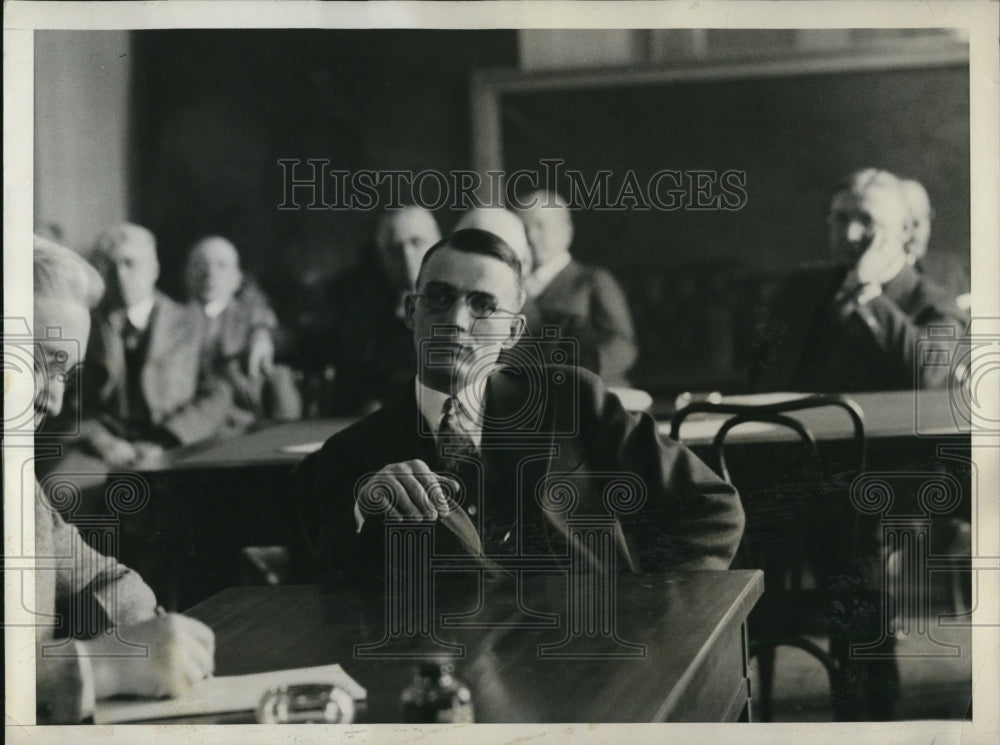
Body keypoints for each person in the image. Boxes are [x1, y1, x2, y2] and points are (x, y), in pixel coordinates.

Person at [295, 228, 744, 590]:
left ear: (512, 332)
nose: (455, 321)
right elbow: (329, 591)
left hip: (590, 659)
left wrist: (652, 610)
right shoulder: (352, 456)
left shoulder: (573, 401)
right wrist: (365, 509)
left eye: (482, 304)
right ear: (411, 312)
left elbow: (712, 509)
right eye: (439, 298)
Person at [32, 237, 214, 724]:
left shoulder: (18, 486)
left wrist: (157, 633)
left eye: (64, 375)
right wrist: (101, 663)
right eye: (38, 363)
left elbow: (100, 575)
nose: (52, 403)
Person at [750, 169, 967, 393]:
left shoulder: (937, 304)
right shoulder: (803, 288)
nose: (850, 234)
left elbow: (929, 378)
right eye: (840, 219)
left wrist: (866, 292)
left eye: (867, 220)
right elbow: (764, 375)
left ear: (905, 230)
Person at [303, 205, 442, 415]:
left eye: (417, 242)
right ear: (382, 256)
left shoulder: (460, 302)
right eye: (394, 249)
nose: (407, 257)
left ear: (439, 245)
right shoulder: (358, 302)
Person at [515, 190, 638, 386]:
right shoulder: (514, 287)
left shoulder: (593, 281)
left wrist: (585, 374)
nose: (531, 236)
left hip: (589, 393)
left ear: (566, 231)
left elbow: (622, 345)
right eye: (524, 228)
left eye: (540, 226)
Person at [184, 235, 301, 424]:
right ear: (188, 275)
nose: (210, 273)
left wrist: (261, 335)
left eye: (221, 265)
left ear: (237, 278)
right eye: (200, 264)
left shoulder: (254, 317)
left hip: (245, 418)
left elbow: (274, 333)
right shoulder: (174, 319)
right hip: (192, 416)